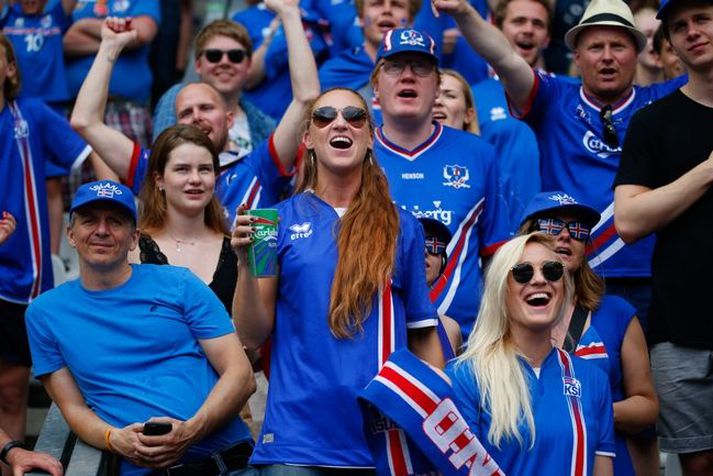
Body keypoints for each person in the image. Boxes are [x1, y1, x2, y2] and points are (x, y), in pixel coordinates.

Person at [437, 0, 688, 331]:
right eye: (595, 47)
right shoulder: (554, 99)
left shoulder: (665, 100)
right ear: (577, 57)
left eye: (619, 46)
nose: (607, 56)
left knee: (645, 381)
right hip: (567, 276)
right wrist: (464, 12)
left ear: (637, 53)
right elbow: (505, 58)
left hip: (648, 276)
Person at [231, 87, 444, 471]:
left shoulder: (403, 226)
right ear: (308, 138)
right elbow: (250, 334)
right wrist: (245, 266)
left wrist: (439, 422)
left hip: (383, 439)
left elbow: (423, 332)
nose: (340, 123)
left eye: (355, 116)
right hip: (296, 441)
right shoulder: (267, 224)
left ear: (370, 136)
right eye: (325, 116)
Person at [25, 180, 257, 476]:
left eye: (115, 221)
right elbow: (73, 409)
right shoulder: (44, 314)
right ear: (71, 235)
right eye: (89, 220)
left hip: (224, 462)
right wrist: (113, 438)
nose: (101, 230)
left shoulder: (180, 283)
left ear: (134, 238)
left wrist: (191, 431)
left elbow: (242, 375)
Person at [71, 8, 318, 224]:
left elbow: (306, 98)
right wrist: (110, 46)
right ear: (176, 124)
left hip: (249, 277)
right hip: (173, 278)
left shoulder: (257, 168)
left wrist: (289, 13)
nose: (197, 117)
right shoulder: (156, 171)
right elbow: (85, 121)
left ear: (230, 119)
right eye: (186, 113)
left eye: (207, 108)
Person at [614, 0, 713, 472]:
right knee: (697, 465)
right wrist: (708, 172)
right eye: (679, 26)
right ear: (669, 44)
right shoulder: (653, 120)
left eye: (703, 19)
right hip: (683, 325)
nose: (692, 31)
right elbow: (628, 220)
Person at [371, 27, 510, 338]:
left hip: (464, 348)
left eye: (420, 67)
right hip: (376, 343)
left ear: (436, 87)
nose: (408, 76)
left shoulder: (479, 155)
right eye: (394, 66)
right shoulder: (354, 155)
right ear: (376, 88)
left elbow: (498, 260)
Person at [447, 233, 616, 475]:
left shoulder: (593, 380)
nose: (539, 280)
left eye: (552, 271)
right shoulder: (463, 377)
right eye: (523, 272)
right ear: (500, 290)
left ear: (564, 287)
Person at [519, 191, 658, 476]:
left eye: (578, 230)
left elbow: (647, 406)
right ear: (526, 240)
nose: (566, 236)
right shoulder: (505, 314)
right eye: (552, 226)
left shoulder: (617, 313)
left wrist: (589, 409)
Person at [0, 33, 90, 457]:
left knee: (12, 392)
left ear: (11, 69)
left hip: (20, 278)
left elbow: (88, 153)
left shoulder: (31, 114)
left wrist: (132, 216)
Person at [151, 19, 277, 149]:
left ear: (249, 65)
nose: (225, 62)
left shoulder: (266, 125)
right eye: (214, 55)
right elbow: (162, 160)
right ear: (198, 65)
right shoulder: (177, 97)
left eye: (235, 56)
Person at [63, 0, 159, 148]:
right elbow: (59, 41)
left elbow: (142, 32)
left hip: (124, 108)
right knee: (75, 171)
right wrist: (116, 42)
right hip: (72, 111)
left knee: (129, 171)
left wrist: (82, 25)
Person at [418, 217, 462, 353]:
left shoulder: (451, 330)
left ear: (442, 265)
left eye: (433, 246)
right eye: (417, 244)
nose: (425, 252)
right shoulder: (378, 322)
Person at [432, 69, 479, 134]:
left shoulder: (481, 144)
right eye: (431, 95)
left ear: (468, 115)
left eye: (450, 96)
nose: (437, 101)